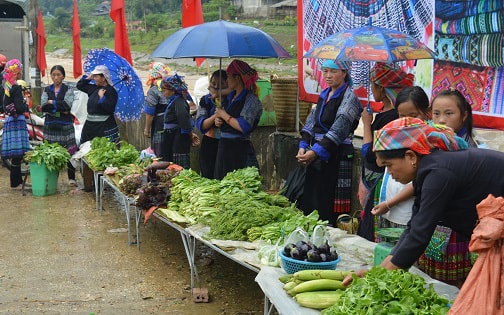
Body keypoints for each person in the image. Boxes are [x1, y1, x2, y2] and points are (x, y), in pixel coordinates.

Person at [344, 117, 504, 287]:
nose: (389, 172)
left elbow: (420, 235)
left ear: (410, 156)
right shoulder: (428, 171)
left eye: (389, 165)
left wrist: (376, 281)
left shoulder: (438, 173)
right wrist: (378, 272)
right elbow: (414, 228)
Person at [414, 88, 478, 285]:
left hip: (457, 230)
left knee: (453, 287)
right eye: (436, 114)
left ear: (464, 116)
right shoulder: (434, 145)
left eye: (449, 113)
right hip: (434, 227)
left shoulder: (469, 151)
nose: (441, 120)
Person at [295, 60, 362, 224]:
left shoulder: (349, 98)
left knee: (327, 202)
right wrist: (303, 146)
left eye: (333, 71)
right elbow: (311, 122)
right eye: (325, 71)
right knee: (312, 201)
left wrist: (315, 152)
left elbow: (339, 129)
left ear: (344, 73)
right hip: (317, 154)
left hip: (335, 155)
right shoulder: (324, 94)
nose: (328, 75)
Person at [357, 62, 414, 241]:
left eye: (373, 85)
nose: (372, 89)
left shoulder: (390, 119)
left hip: (379, 179)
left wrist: (366, 124)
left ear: (381, 88)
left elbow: (370, 154)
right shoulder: (384, 114)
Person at [372, 86, 430, 232]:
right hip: (389, 203)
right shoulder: (394, 135)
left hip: (407, 209)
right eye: (401, 116)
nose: (407, 122)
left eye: (413, 115)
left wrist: (390, 203)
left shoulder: (429, 139)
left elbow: (417, 183)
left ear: (427, 113)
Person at [213, 59, 263, 180]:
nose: (226, 80)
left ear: (238, 78)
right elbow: (223, 117)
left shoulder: (251, 100)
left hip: (239, 150)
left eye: (229, 76)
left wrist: (224, 115)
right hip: (224, 148)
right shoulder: (230, 97)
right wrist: (218, 121)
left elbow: (244, 126)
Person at [41, 65, 78, 186]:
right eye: (53, 75)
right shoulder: (47, 90)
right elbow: (43, 106)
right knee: (51, 153)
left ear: (63, 76)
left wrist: (52, 102)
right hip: (50, 125)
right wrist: (60, 108)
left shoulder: (68, 89)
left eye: (58, 75)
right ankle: (52, 178)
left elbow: (67, 106)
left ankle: (71, 178)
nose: (56, 77)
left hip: (65, 125)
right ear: (51, 76)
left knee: (69, 152)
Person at [1, 59, 30, 189]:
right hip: (17, 123)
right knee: (18, 155)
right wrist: (24, 104)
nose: (22, 73)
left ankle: (16, 182)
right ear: (17, 73)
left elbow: (6, 106)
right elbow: (19, 108)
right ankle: (16, 183)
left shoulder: (6, 86)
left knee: (15, 155)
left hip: (9, 122)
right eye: (21, 70)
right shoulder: (17, 88)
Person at [196, 69, 228, 179]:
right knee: (208, 176)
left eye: (221, 84)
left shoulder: (232, 100)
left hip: (228, 145)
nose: (216, 87)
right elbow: (202, 125)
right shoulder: (205, 101)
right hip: (210, 144)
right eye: (214, 84)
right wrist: (215, 117)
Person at [76, 65, 119, 144]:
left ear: (103, 78)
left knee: (103, 149)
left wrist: (102, 97)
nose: (94, 78)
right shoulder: (93, 88)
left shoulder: (111, 91)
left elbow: (110, 108)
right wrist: (88, 78)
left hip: (104, 126)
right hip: (89, 125)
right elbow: (79, 86)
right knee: (86, 148)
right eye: (94, 76)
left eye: (96, 76)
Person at [160, 74, 195, 169]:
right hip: (172, 137)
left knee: (178, 167)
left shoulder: (179, 101)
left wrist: (190, 134)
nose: (163, 94)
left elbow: (183, 120)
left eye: (164, 91)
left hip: (177, 138)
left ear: (172, 90)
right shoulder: (174, 101)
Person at [143, 62, 170, 157]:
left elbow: (150, 112)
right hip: (173, 123)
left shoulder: (154, 89)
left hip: (160, 124)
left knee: (160, 153)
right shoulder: (171, 86)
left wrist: (147, 129)